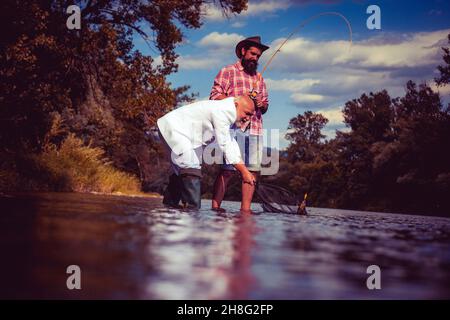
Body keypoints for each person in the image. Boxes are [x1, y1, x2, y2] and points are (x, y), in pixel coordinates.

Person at [156, 96, 257, 210]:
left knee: (183, 169)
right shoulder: (224, 112)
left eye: (250, 116)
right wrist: (243, 171)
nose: (248, 118)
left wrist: (243, 169)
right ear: (236, 105)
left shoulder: (231, 116)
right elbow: (225, 144)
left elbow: (231, 143)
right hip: (174, 129)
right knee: (191, 167)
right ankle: (192, 212)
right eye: (247, 113)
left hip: (181, 133)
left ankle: (168, 209)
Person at [209, 36, 270, 212]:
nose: (255, 58)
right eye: (252, 54)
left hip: (255, 129)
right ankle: (215, 208)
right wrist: (239, 100)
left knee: (252, 171)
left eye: (258, 56)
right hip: (232, 128)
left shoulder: (259, 78)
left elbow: (265, 107)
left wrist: (260, 102)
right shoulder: (228, 71)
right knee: (227, 170)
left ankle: (245, 210)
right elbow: (214, 96)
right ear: (243, 51)